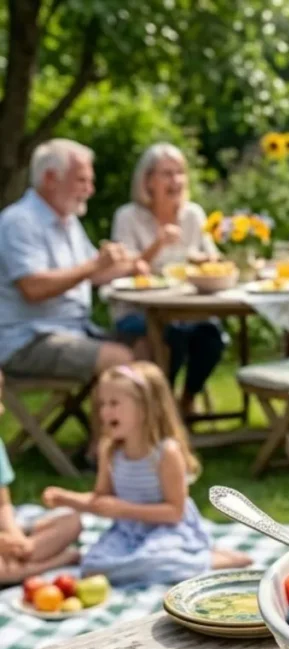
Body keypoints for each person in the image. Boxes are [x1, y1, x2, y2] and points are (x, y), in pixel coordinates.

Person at [42, 362, 251, 586]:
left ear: (145, 407)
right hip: (127, 532)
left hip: (167, 530)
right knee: (93, 567)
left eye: (114, 403)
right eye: (103, 403)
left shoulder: (165, 453)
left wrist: (124, 510)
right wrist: (66, 499)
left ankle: (212, 560)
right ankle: (176, 564)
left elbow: (175, 512)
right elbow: (102, 500)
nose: (104, 412)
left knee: (154, 561)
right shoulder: (110, 450)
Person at [0, 139, 140, 384]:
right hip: (27, 341)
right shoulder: (20, 221)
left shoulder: (68, 221)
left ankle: (151, 411)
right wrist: (95, 265)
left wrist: (132, 266)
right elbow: (33, 287)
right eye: (81, 180)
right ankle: (117, 410)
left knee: (148, 344)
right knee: (121, 359)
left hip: (74, 330)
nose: (90, 190)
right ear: (50, 178)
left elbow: (95, 274)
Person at [111, 143, 226, 417]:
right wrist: (158, 244)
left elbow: (214, 258)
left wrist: (207, 261)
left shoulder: (193, 215)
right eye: (167, 174)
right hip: (137, 311)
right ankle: (163, 407)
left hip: (188, 309)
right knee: (173, 337)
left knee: (212, 336)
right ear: (148, 180)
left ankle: (187, 399)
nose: (176, 181)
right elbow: (124, 268)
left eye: (180, 173)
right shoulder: (127, 217)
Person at [0, 370, 82, 585]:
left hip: (7, 530)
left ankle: (20, 561)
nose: (2, 410)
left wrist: (16, 537)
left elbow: (3, 505)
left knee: (71, 520)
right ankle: (55, 562)